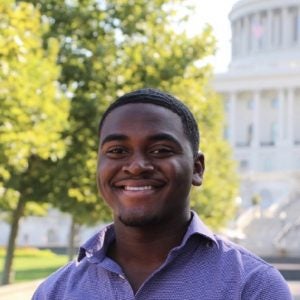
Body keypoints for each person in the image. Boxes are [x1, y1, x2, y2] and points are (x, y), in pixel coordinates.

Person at [32, 88, 292, 299]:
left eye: (160, 150)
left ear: (197, 169)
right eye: (117, 151)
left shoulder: (253, 288)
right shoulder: (55, 292)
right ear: (98, 167)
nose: (136, 166)